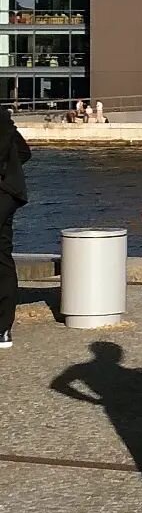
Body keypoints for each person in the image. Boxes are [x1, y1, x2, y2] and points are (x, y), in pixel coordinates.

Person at [0, 106, 31, 349]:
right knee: (2, 255)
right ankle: (3, 329)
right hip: (10, 192)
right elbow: (23, 152)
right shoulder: (5, 120)